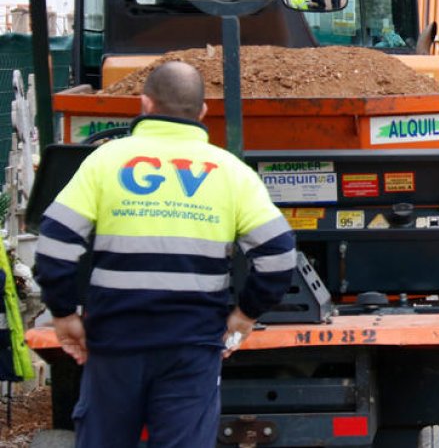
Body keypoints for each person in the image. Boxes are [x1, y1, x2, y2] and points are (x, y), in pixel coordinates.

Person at [33, 61, 296, 448]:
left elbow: (54, 244)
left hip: (113, 342)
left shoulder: (106, 161)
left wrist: (63, 313)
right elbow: (278, 255)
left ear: (144, 104)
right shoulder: (232, 172)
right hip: (192, 346)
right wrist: (244, 315)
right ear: (203, 112)